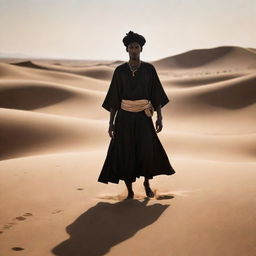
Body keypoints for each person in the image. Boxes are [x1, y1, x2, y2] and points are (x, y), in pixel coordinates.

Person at [98, 31, 176, 199]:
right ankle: (130, 191)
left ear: (141, 49)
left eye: (136, 47)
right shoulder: (119, 71)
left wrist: (160, 117)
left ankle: (147, 184)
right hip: (124, 118)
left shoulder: (149, 69)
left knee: (146, 151)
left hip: (143, 117)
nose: (134, 50)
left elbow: (156, 95)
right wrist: (111, 123)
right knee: (126, 153)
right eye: (131, 47)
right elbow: (114, 99)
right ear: (127, 50)